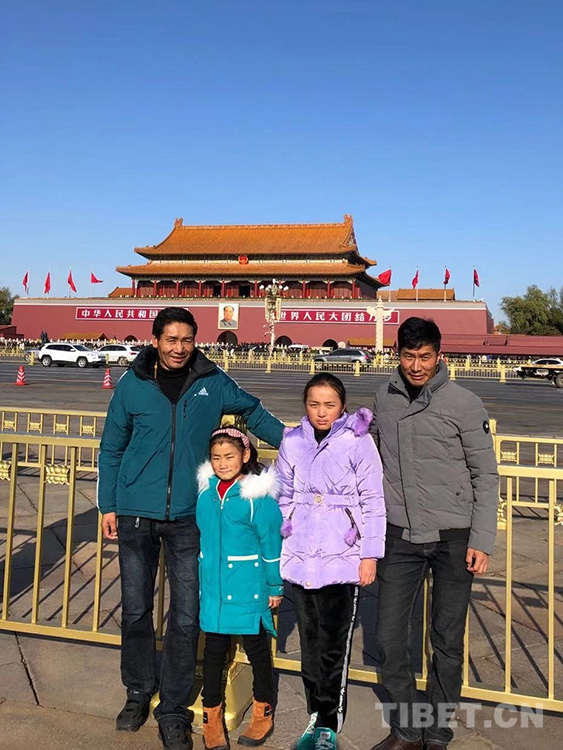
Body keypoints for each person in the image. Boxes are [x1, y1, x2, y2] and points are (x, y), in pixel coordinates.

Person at [98, 306, 284, 750]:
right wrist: (108, 505)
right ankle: (138, 691)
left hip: (187, 516)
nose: (179, 348)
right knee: (136, 610)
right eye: (171, 339)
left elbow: (254, 411)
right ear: (156, 340)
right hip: (135, 513)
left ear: (195, 341)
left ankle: (174, 709)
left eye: (186, 340)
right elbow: (112, 447)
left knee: (185, 616)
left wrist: (305, 444)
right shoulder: (132, 384)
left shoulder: (212, 381)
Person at [370, 317, 499, 750]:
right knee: (389, 637)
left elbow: (486, 475)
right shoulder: (384, 398)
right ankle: (407, 728)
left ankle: (439, 729)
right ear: (397, 354)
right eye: (409, 356)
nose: (417, 366)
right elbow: (367, 453)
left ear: (439, 355)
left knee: (446, 638)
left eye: (425, 357)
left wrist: (481, 539)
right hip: (400, 534)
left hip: (454, 537)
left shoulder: (464, 403)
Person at [276, 373, 386, 750]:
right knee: (309, 641)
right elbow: (282, 494)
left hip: (343, 556)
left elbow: (373, 501)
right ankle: (314, 710)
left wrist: (369, 554)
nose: (321, 412)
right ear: (305, 405)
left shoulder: (357, 440)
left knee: (334, 643)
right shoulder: (293, 441)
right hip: (302, 556)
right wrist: (283, 535)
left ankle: (328, 720)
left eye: (329, 404)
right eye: (314, 404)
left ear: (342, 406)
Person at [196, 427, 284, 750]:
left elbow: (271, 543)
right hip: (215, 589)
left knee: (257, 649)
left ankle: (263, 710)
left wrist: (274, 585)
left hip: (248, 587)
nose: (222, 463)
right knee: (213, 653)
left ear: (245, 456)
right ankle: (211, 717)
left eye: (229, 456)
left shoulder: (256, 498)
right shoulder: (206, 494)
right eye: (216, 457)